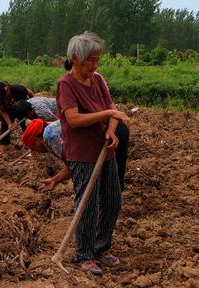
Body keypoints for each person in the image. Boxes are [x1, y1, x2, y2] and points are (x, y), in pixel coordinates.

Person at [57, 32, 130, 276]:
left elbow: (111, 110)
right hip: (81, 153)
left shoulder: (98, 80)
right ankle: (84, 255)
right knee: (87, 205)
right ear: (75, 58)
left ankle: (101, 247)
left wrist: (111, 131)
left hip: (104, 150)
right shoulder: (66, 84)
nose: (95, 65)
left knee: (112, 201)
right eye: (90, 60)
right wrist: (109, 117)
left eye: (97, 59)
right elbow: (74, 119)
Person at [0, 81, 34, 156]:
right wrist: (10, 124)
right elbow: (2, 111)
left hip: (22, 108)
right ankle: (3, 152)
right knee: (5, 126)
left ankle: (31, 149)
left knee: (26, 126)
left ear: (7, 91)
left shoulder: (18, 89)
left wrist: (30, 107)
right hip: (8, 110)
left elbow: (30, 93)